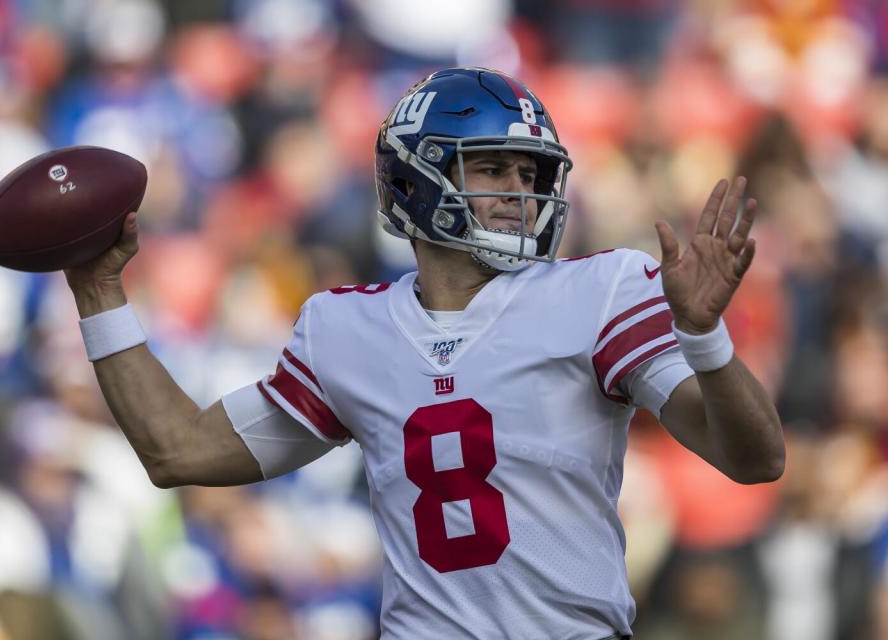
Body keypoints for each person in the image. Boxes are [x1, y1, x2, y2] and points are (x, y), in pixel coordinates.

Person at [64, 67, 785, 640]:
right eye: (494, 168)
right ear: (416, 176)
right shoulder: (345, 330)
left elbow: (754, 458)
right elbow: (179, 452)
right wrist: (98, 292)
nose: (519, 194)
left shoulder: (600, 292)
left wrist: (705, 336)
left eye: (530, 174)